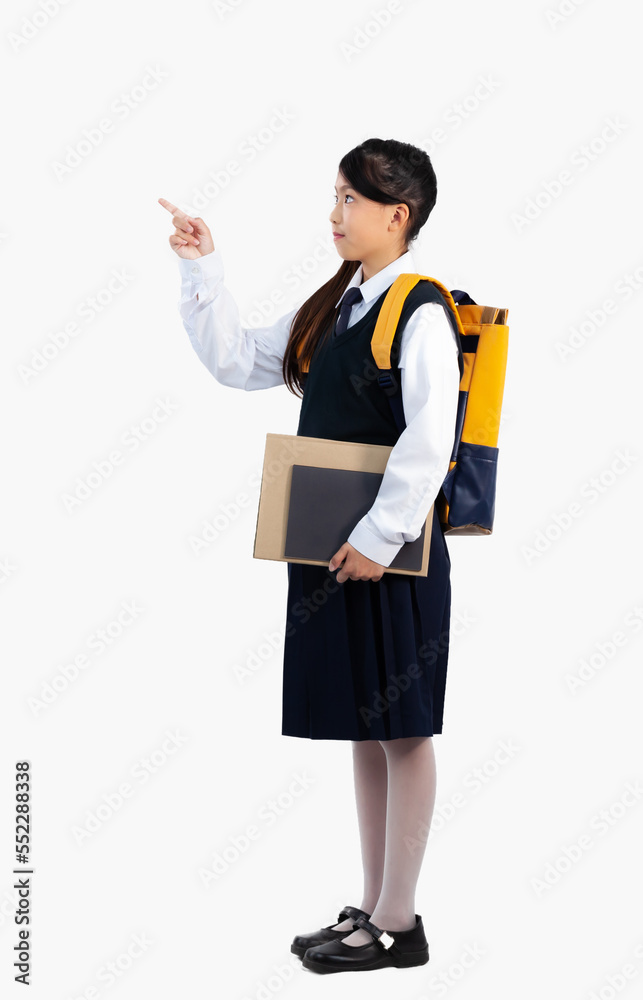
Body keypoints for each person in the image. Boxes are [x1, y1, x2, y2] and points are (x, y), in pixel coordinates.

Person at [159, 136, 462, 975]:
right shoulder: (340, 303)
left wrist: (376, 538)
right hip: (334, 552)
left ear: (397, 215)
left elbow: (431, 437)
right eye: (334, 197)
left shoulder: (421, 309)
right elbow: (241, 361)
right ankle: (373, 908)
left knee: (403, 730)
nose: (334, 215)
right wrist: (202, 268)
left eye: (351, 201)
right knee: (368, 728)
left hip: (391, 554)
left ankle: (399, 921)